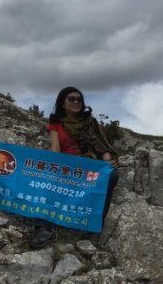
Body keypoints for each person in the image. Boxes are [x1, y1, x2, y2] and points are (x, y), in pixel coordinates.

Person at [29, 86, 120, 247]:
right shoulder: (56, 124)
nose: (76, 102)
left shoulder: (90, 122)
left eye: (79, 99)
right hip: (68, 166)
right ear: (62, 103)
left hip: (90, 166)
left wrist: (107, 162)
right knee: (49, 181)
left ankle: (93, 225)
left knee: (111, 175)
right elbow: (56, 149)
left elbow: (101, 146)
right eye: (71, 99)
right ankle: (44, 227)